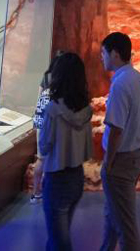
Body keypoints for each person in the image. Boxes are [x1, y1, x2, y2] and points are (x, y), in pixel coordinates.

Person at [100, 32, 140, 251]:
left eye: (103, 53)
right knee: (113, 214)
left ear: (114, 53)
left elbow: (116, 128)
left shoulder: (120, 84)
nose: (101, 58)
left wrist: (108, 162)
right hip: (136, 155)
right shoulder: (138, 78)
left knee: (125, 227)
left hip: (120, 160)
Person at [39, 53, 93, 251]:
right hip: (76, 175)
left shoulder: (52, 109)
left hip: (56, 176)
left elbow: (44, 145)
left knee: (59, 241)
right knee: (59, 236)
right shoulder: (86, 110)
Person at [32, 55, 62, 203]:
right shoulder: (60, 83)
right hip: (52, 124)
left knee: (41, 158)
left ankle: (36, 192)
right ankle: (50, 192)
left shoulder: (45, 77)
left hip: (40, 122)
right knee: (54, 159)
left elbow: (38, 99)